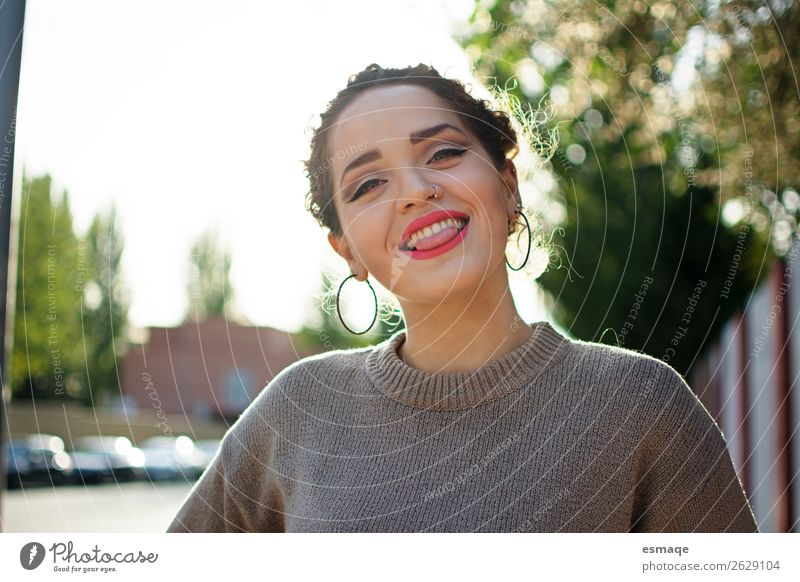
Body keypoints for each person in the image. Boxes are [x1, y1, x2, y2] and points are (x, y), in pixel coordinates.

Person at [167, 63, 758, 533]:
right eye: (369, 183)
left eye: (444, 153)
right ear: (347, 249)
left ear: (507, 186)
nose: (416, 192)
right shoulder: (296, 410)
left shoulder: (641, 406)